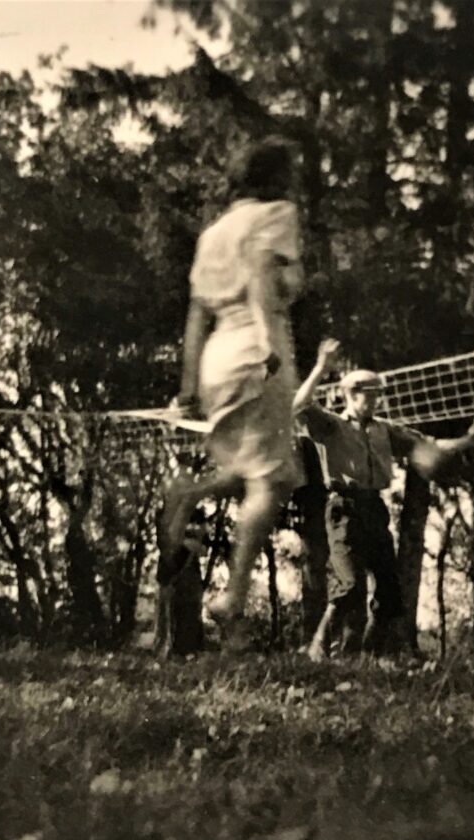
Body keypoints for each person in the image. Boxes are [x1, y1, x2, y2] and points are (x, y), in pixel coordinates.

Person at [160, 137, 303, 634]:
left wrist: (187, 386)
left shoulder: (213, 235)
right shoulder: (277, 214)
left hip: (217, 357)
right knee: (274, 480)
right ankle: (232, 599)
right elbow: (262, 271)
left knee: (247, 470)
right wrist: (266, 341)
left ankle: (188, 493)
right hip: (256, 348)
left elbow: (195, 315)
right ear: (276, 177)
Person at [294, 339, 474, 660]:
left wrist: (468, 441)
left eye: (377, 395)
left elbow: (429, 445)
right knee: (349, 586)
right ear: (350, 395)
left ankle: (369, 656)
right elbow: (300, 406)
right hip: (344, 510)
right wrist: (321, 367)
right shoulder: (332, 426)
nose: (374, 401)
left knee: (389, 592)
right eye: (368, 395)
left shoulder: (385, 431)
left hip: (375, 509)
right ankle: (319, 646)